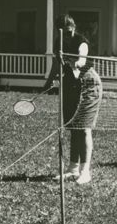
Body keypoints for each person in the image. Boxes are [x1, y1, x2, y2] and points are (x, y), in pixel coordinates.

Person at [43, 14, 103, 185]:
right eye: (63, 32)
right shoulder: (58, 42)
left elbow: (82, 56)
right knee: (73, 127)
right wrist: (47, 84)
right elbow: (56, 64)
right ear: (58, 31)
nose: (67, 35)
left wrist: (78, 62)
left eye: (69, 31)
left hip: (89, 85)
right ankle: (72, 169)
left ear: (73, 28)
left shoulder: (81, 40)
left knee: (83, 128)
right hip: (70, 84)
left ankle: (85, 172)